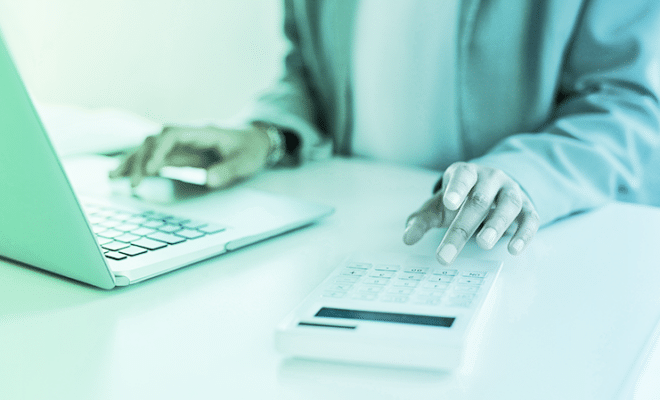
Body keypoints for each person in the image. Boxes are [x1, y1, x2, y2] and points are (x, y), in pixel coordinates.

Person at [111, 0, 660, 265]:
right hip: (353, 237)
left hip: (520, 250)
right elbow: (309, 69)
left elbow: (627, 104)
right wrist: (269, 134)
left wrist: (521, 177)